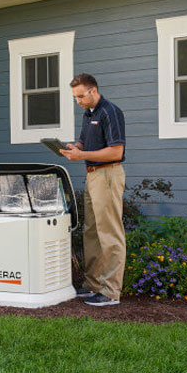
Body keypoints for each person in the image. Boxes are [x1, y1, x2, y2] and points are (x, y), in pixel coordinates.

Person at [60, 73, 126, 307]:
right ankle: (93, 285)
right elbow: (83, 143)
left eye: (80, 96)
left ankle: (110, 292)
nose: (77, 101)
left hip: (108, 174)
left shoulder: (110, 112)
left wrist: (82, 155)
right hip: (92, 176)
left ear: (93, 91)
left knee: (109, 233)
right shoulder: (88, 114)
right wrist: (72, 148)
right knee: (92, 232)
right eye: (75, 97)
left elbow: (116, 151)